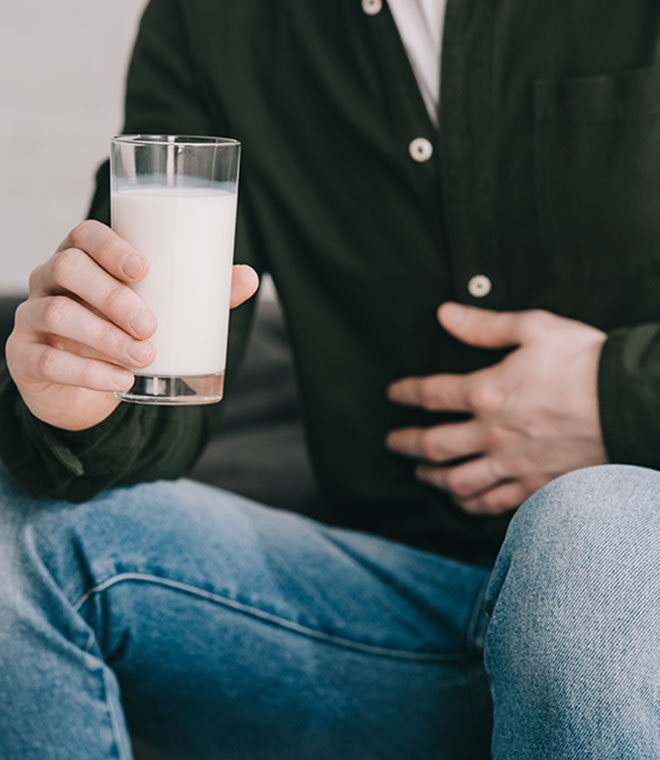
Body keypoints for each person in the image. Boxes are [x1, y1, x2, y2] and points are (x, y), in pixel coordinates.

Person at [2, 1, 660, 757]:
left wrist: (619, 397)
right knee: (14, 533)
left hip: (637, 618)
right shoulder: (213, 21)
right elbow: (163, 366)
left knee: (592, 531)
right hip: (395, 625)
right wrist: (81, 396)